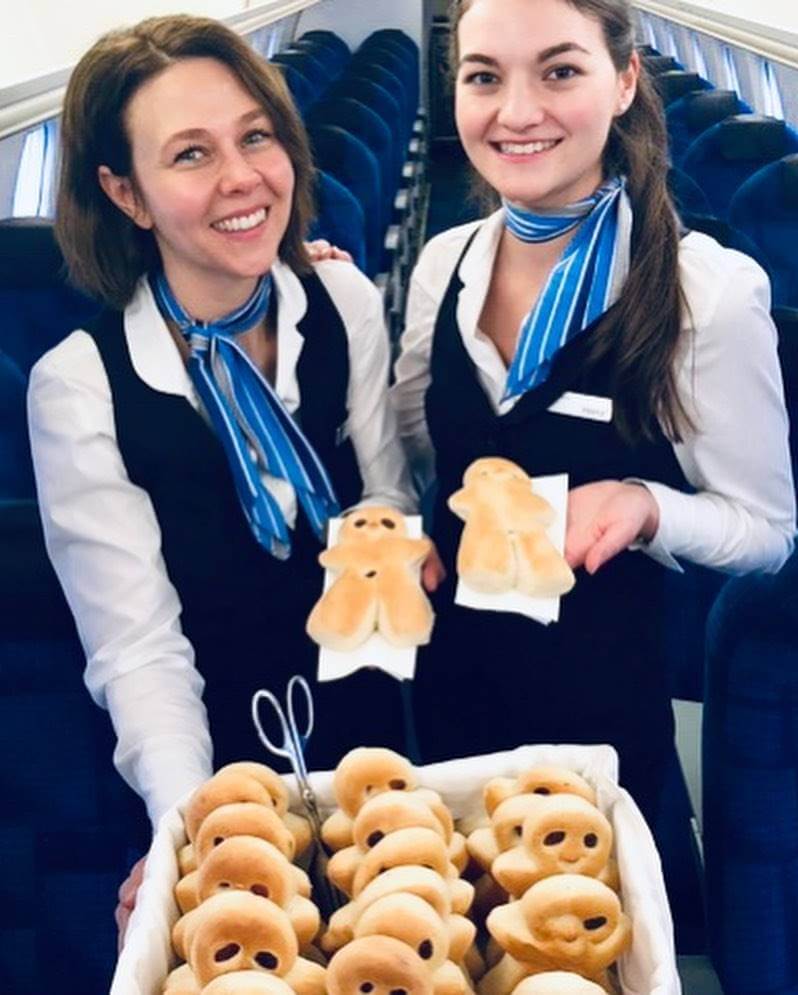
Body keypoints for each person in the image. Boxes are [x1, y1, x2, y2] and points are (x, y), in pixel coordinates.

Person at [27, 15, 415, 939]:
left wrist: (392, 551)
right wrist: (198, 831)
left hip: (381, 731)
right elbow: (140, 651)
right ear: (127, 193)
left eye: (256, 135)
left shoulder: (345, 302)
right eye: (191, 154)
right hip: (211, 753)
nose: (243, 178)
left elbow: (386, 496)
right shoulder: (82, 388)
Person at [392, 0, 795, 826]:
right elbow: (411, 459)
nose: (516, 112)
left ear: (624, 81)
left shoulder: (703, 295)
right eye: (483, 77)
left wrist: (648, 507)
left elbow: (767, 533)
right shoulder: (443, 265)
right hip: (441, 705)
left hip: (600, 733)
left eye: (560, 70)